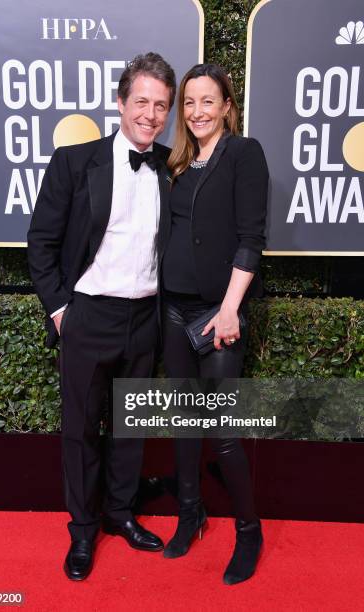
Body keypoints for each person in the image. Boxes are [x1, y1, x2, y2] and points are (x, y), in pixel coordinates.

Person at [27, 52, 176, 581]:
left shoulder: (169, 169)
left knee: (130, 428)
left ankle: (121, 514)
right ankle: (83, 530)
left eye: (161, 105)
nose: (151, 114)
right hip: (88, 316)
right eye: (141, 102)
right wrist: (62, 311)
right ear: (120, 102)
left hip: (145, 318)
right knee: (82, 431)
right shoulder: (74, 162)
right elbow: (41, 244)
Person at [161, 63, 268, 585]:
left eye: (208, 101)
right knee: (183, 426)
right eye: (189, 103)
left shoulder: (244, 155)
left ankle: (249, 530)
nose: (198, 111)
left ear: (227, 105)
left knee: (223, 433)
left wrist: (229, 309)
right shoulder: (176, 163)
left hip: (217, 313)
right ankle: (189, 515)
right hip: (173, 310)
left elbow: (251, 236)